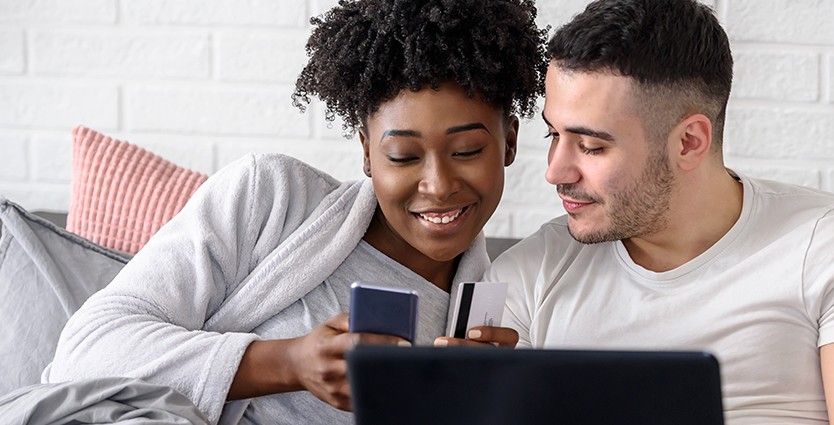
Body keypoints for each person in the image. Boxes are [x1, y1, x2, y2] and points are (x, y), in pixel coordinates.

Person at [44, 0, 546, 423]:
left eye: (466, 152)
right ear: (368, 153)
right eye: (404, 156)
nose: (438, 185)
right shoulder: (272, 197)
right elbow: (85, 351)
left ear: (508, 142)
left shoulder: (508, 311)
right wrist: (289, 362)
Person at [480, 0, 834, 423]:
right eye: (552, 136)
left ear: (689, 142)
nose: (555, 171)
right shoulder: (531, 273)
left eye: (592, 146)